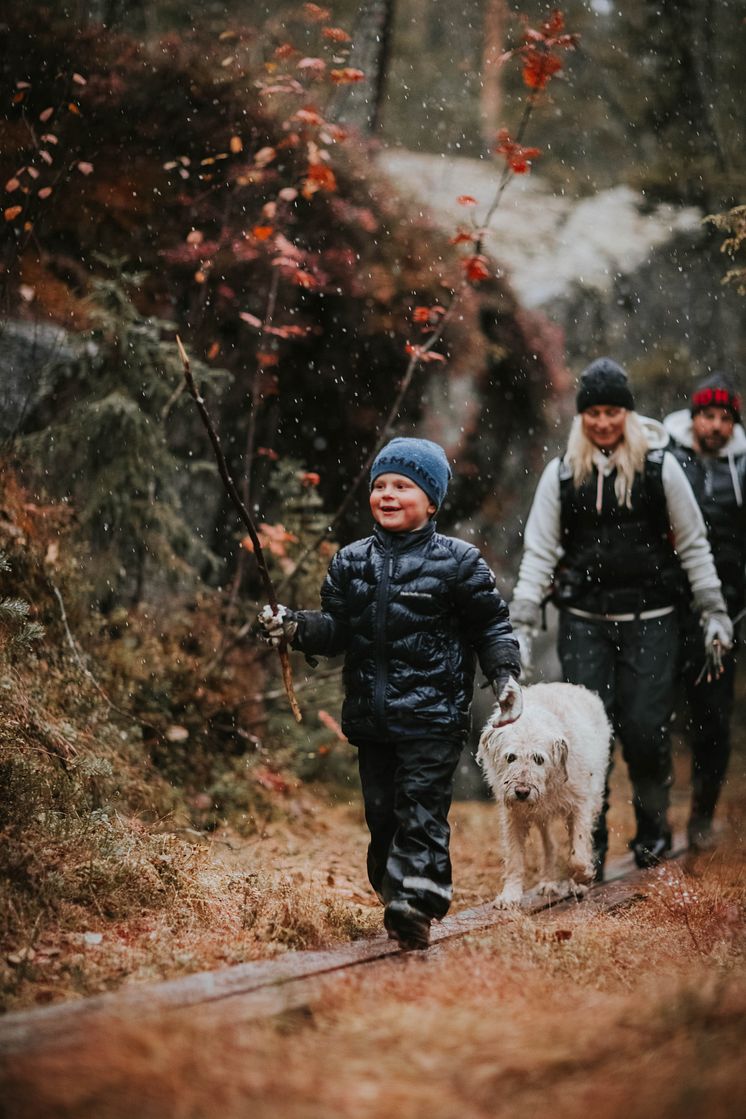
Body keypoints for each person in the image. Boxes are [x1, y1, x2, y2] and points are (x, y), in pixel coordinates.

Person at [255, 437, 522, 950]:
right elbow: (336, 629)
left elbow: (492, 626)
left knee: (420, 811)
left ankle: (419, 902)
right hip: (372, 721)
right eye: (380, 486)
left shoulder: (459, 563)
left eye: (404, 485)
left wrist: (505, 677)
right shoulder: (352, 562)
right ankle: (397, 895)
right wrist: (292, 626)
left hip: (434, 719)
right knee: (383, 820)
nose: (389, 495)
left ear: (432, 501)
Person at [509, 358, 732, 877]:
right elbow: (539, 552)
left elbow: (695, 545)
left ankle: (653, 835)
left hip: (654, 617)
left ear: (627, 414)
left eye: (612, 411)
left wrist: (713, 610)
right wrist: (520, 621)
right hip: (584, 619)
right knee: (587, 736)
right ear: (581, 417)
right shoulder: (563, 473)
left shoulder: (659, 466)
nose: (603, 422)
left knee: (645, 728)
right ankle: (591, 843)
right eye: (593, 412)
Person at [663, 372, 746, 851]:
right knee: (653, 715)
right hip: (668, 607)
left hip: (726, 614)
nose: (715, 426)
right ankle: (654, 821)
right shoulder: (668, 458)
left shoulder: (744, 468)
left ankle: (702, 818)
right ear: (692, 417)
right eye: (707, 415)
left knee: (712, 719)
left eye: (724, 417)